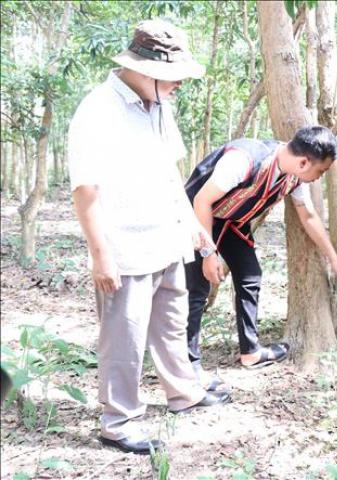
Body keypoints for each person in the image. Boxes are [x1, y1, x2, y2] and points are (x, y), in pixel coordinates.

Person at [69, 19, 230, 455]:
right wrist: (101, 256)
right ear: (144, 70)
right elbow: (86, 190)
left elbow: (169, 174)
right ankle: (118, 423)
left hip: (167, 239)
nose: (179, 83)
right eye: (173, 75)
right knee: (124, 337)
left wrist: (194, 225)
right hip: (126, 246)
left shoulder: (160, 105)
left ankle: (184, 393)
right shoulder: (98, 110)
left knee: (170, 325)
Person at [185, 127, 337, 376]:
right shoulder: (243, 160)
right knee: (197, 287)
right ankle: (188, 365)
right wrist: (208, 254)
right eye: (321, 171)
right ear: (304, 162)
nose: (320, 177)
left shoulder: (294, 175)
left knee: (250, 275)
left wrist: (334, 258)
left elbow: (308, 216)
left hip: (230, 221)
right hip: (198, 217)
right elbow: (201, 201)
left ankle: (250, 352)